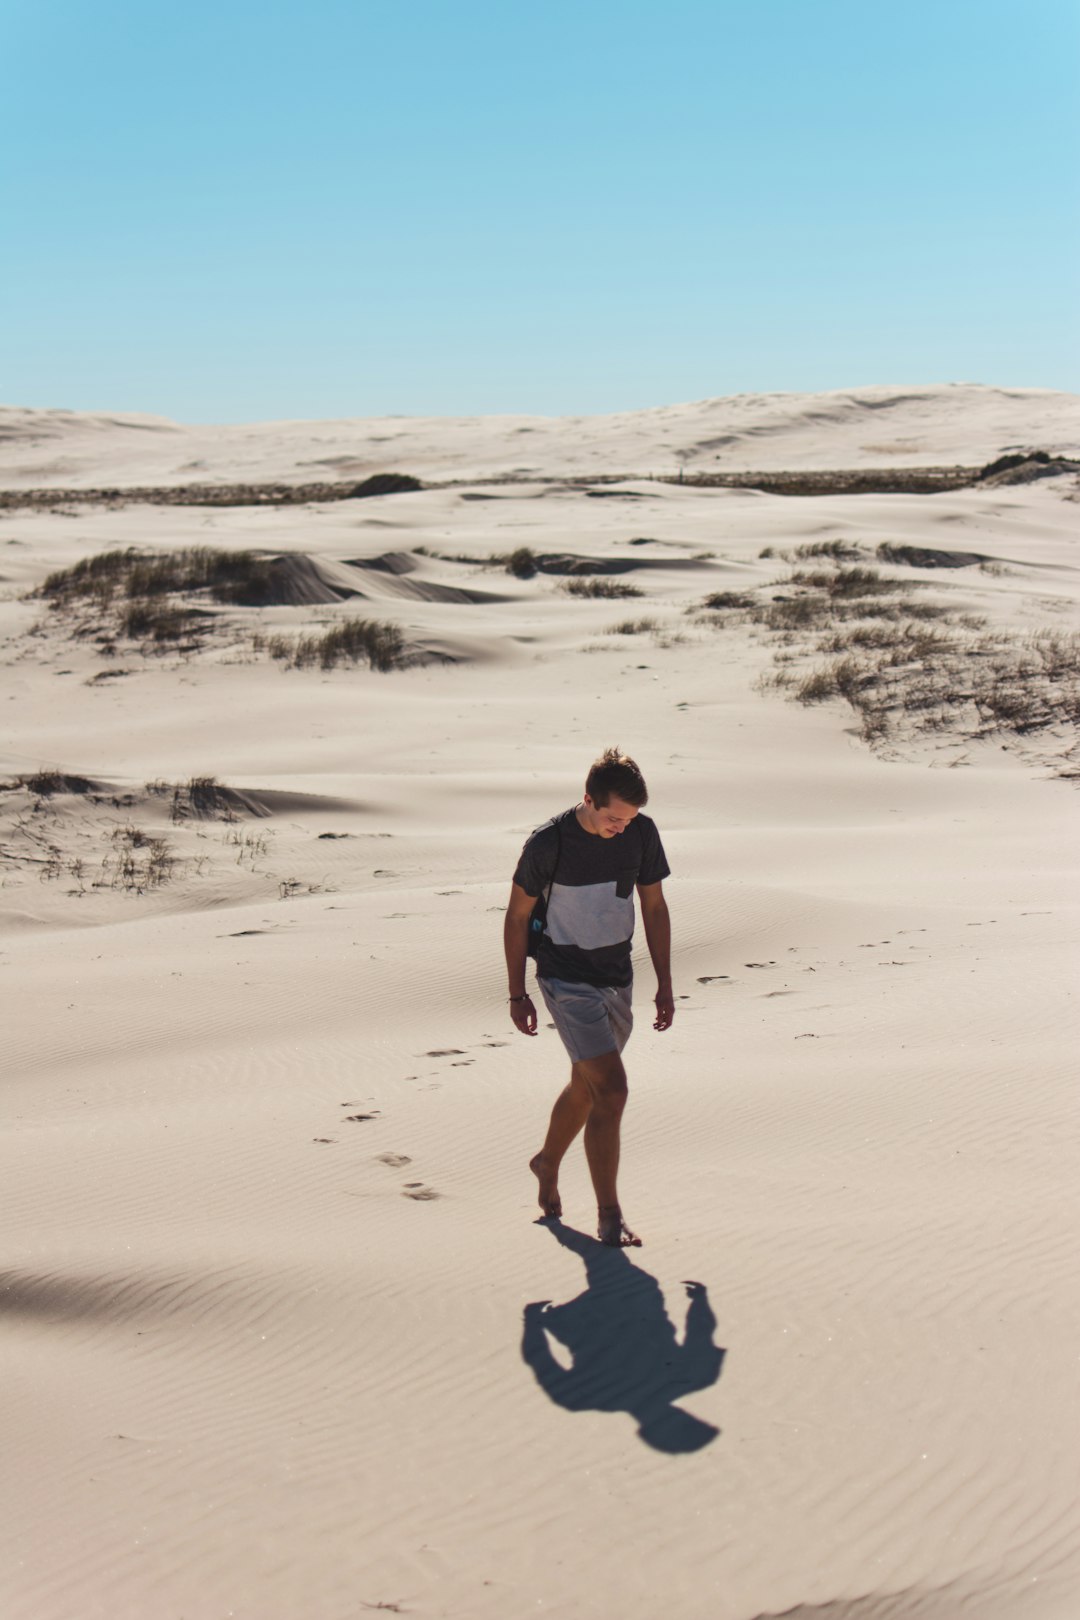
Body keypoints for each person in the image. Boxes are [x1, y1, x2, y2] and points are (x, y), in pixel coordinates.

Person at [504, 747, 674, 1247]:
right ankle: (609, 1215)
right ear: (588, 800)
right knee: (614, 1089)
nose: (621, 827)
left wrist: (664, 982)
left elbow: (655, 906)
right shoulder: (547, 844)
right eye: (613, 818)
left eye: (629, 819)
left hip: (616, 976)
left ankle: (546, 1161)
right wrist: (517, 993)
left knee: (588, 1086)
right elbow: (516, 918)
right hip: (565, 978)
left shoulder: (641, 833)